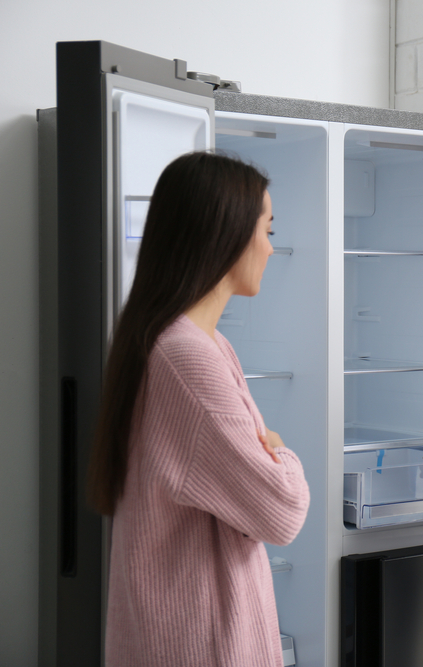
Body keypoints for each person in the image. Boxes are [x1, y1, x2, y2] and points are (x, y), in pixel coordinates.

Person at [88, 151, 310, 667]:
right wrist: (281, 452)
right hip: (201, 644)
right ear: (226, 235)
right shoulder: (187, 358)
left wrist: (265, 459)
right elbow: (281, 511)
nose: (272, 250)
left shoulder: (183, 341)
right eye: (267, 230)